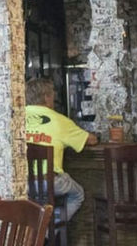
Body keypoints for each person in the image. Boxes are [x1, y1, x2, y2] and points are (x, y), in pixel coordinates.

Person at [24, 77, 97, 219]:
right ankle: (48, 231)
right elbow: (91, 140)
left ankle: (35, 232)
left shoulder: (15, 118)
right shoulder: (59, 120)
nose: (54, 98)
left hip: (22, 183)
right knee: (78, 195)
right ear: (46, 97)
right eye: (52, 95)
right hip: (49, 182)